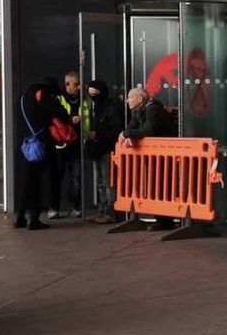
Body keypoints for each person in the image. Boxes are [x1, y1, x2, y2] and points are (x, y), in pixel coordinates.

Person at [14, 76, 70, 230]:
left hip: (24, 146)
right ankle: (34, 219)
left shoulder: (22, 98)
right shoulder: (44, 97)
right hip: (41, 145)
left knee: (24, 182)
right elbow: (62, 114)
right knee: (40, 182)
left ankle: (20, 217)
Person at [121, 87, 178, 230]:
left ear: (140, 99)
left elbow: (149, 131)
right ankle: (162, 219)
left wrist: (127, 134)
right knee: (156, 185)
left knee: (162, 186)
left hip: (164, 154)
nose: (127, 100)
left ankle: (165, 221)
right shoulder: (139, 110)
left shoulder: (152, 109)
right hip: (156, 155)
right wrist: (127, 135)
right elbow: (131, 128)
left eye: (130, 97)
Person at [83, 80, 123, 224]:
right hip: (97, 149)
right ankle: (102, 209)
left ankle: (111, 211)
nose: (93, 97)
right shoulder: (93, 107)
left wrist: (97, 134)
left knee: (108, 181)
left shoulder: (111, 108)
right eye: (90, 94)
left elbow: (115, 130)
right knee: (100, 181)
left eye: (95, 94)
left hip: (107, 149)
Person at [48, 72, 82, 218]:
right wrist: (70, 119)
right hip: (60, 144)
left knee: (77, 178)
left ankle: (75, 206)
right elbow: (54, 117)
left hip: (76, 144)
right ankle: (53, 208)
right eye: (76, 84)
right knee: (56, 178)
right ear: (67, 84)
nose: (78, 87)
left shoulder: (83, 99)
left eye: (79, 84)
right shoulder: (58, 98)